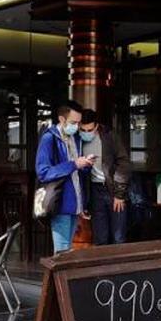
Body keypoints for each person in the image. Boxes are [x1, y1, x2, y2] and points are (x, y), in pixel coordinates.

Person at [35, 100, 94, 254]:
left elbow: (77, 171)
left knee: (66, 253)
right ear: (62, 119)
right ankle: (55, 279)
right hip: (60, 204)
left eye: (78, 122)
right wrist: (74, 164)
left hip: (75, 205)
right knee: (62, 254)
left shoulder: (75, 138)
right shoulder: (50, 138)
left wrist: (85, 164)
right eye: (73, 122)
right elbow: (43, 172)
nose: (76, 126)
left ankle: (56, 279)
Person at [78, 109, 131, 245]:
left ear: (96, 126)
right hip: (94, 190)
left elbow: (123, 162)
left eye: (90, 130)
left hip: (113, 189)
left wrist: (119, 194)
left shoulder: (109, 136)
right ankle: (102, 266)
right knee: (99, 237)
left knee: (118, 236)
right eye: (83, 130)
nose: (86, 133)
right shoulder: (77, 139)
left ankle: (118, 266)